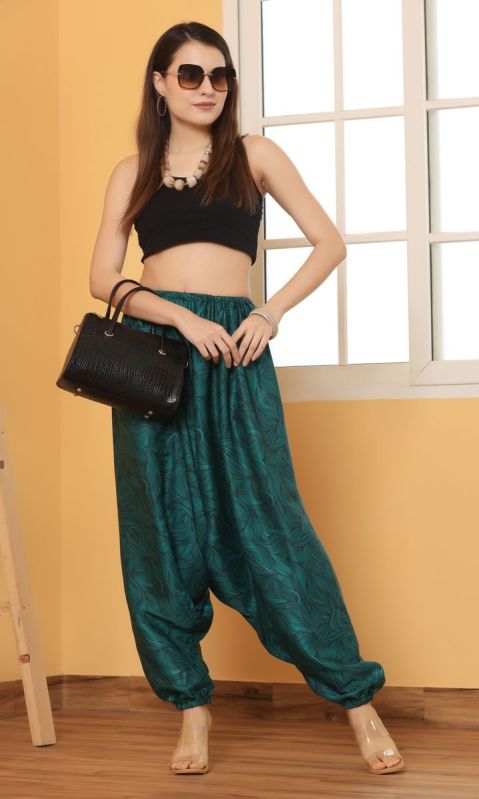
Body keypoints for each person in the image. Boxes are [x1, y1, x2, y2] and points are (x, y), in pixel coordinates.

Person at [88, 20, 405, 777]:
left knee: (272, 525)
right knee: (160, 535)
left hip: (236, 351)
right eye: (190, 74)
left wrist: (269, 312)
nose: (207, 88)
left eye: (219, 75)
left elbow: (330, 242)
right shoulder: (131, 170)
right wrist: (179, 316)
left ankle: (357, 702)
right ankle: (191, 712)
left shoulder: (254, 155)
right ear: (160, 83)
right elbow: (102, 280)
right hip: (158, 357)